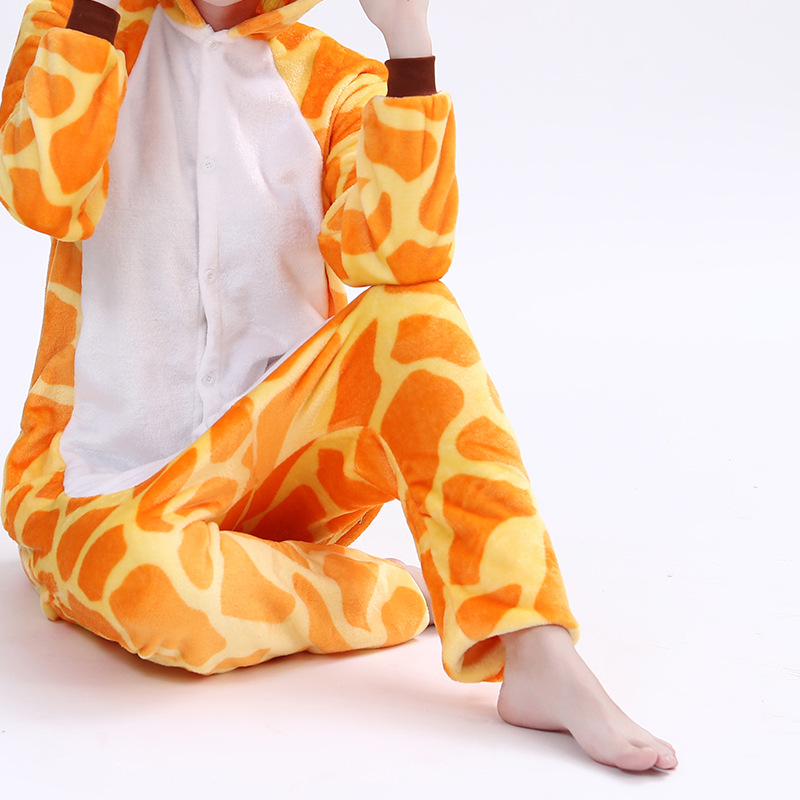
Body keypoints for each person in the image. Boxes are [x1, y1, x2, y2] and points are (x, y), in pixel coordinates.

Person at [0, 0, 677, 771]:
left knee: (417, 315)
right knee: (151, 585)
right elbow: (44, 194)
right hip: (95, 492)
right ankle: (399, 593)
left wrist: (408, 42)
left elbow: (399, 259)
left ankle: (532, 642)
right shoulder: (78, 24)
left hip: (281, 477)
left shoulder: (333, 81)